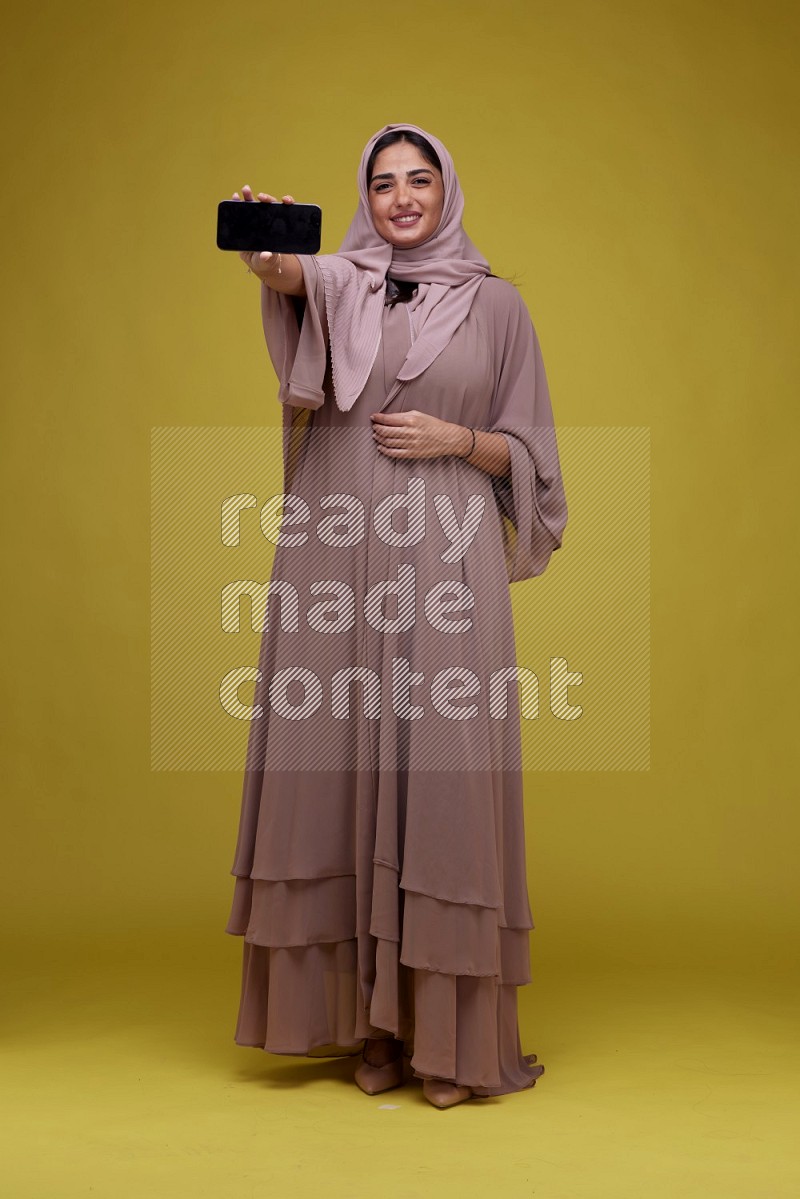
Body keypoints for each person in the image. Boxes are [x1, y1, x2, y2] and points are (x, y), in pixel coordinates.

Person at [225, 123, 568, 1109]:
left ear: (445, 190)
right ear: (364, 198)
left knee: (441, 778)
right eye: (383, 183)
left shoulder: (497, 306)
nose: (402, 197)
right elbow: (293, 278)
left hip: (445, 560)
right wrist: (267, 255)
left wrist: (459, 436)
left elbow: (534, 456)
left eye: (419, 179)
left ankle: (448, 1040)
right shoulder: (338, 280)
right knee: (332, 766)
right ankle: (368, 1031)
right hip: (333, 554)